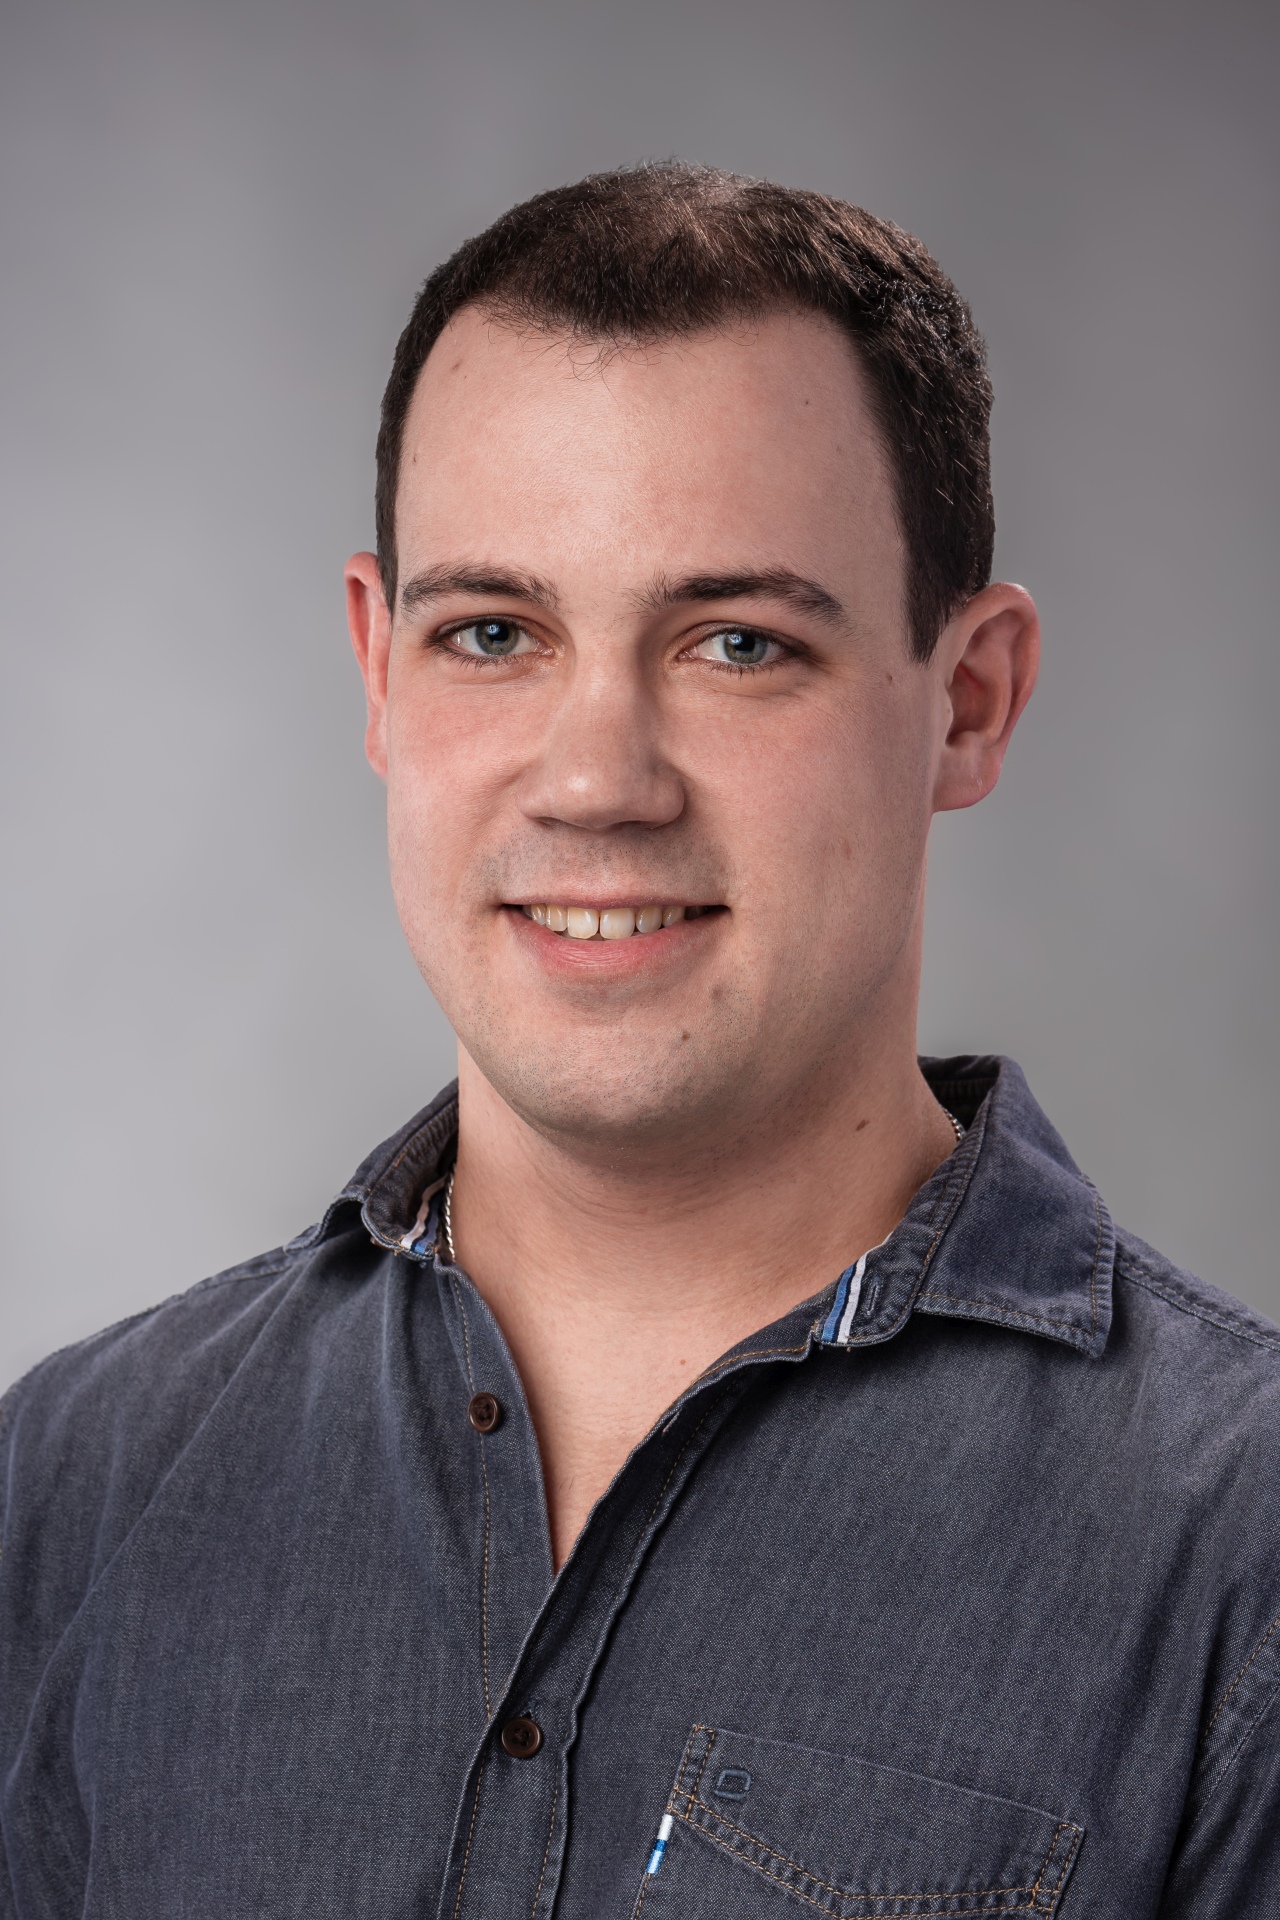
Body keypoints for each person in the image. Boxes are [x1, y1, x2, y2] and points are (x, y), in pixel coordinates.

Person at [1, 164, 1276, 1919]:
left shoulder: (1240, 1557)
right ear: (379, 673)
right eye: (493, 634)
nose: (599, 780)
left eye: (739, 643)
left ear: (969, 702)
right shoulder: (69, 1492)